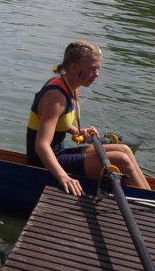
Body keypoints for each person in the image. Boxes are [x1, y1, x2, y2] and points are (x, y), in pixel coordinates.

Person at [27, 40, 150, 195]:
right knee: (121, 160)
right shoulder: (56, 97)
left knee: (124, 150)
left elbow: (55, 121)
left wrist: (75, 131)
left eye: (98, 68)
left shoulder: (66, 85)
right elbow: (41, 145)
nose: (97, 74)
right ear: (73, 67)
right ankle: (148, 204)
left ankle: (148, 196)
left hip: (59, 154)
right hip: (44, 162)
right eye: (92, 68)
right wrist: (64, 177)